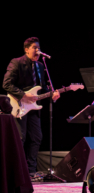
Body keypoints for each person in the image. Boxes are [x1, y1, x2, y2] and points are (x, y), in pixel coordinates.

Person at [2, 37, 60, 176]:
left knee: (36, 137)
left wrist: (53, 94)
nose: (37, 51)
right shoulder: (16, 62)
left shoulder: (40, 66)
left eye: (38, 48)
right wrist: (23, 95)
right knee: (20, 138)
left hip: (33, 107)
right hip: (19, 104)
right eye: (35, 48)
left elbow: (43, 88)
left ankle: (31, 172)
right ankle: (17, 171)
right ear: (26, 49)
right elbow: (6, 84)